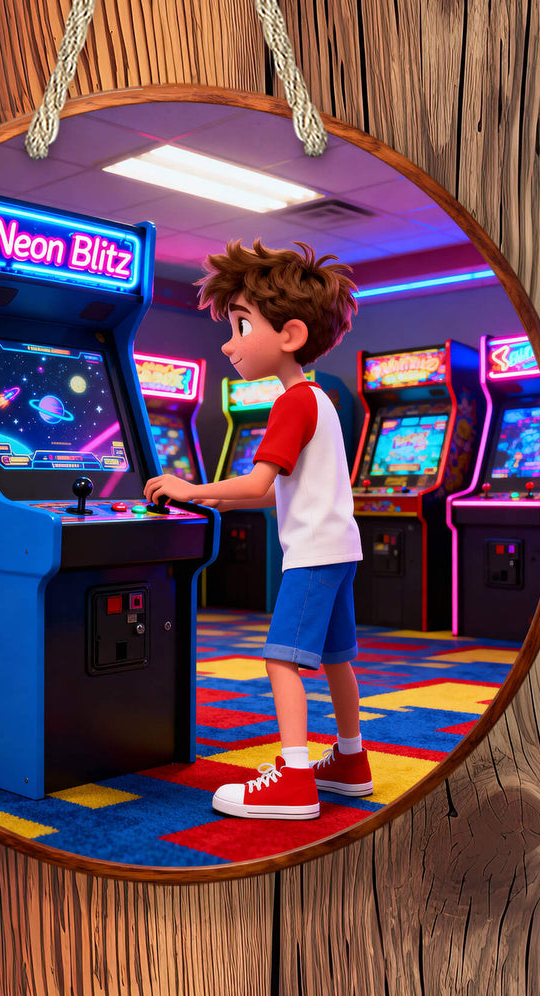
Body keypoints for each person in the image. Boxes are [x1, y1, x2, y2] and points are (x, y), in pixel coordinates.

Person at [143, 239, 372, 820]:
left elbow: (254, 484)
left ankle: (294, 778)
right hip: (340, 549)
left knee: (281, 659)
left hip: (314, 555)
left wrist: (190, 490)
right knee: (338, 656)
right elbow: (276, 493)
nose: (228, 342)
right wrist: (216, 497)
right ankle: (351, 759)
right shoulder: (317, 399)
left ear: (289, 336)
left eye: (242, 325)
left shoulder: (292, 403)